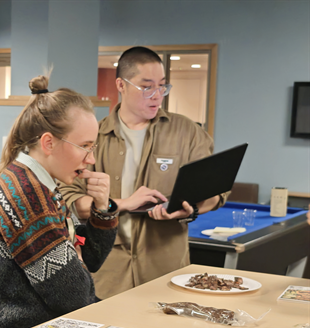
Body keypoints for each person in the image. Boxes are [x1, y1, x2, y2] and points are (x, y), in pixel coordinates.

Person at [59, 46, 228, 299]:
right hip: (107, 272)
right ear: (121, 85)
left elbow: (216, 193)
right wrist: (124, 204)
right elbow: (70, 199)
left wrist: (191, 208)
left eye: (162, 86)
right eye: (147, 86)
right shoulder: (95, 135)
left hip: (166, 270)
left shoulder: (187, 131)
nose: (157, 95)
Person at [0, 75, 119, 328]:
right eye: (84, 146)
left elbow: (91, 259)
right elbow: (74, 295)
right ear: (48, 143)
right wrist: (79, 264)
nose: (91, 159)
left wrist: (102, 209)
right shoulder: (26, 193)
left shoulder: (42, 184)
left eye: (92, 147)